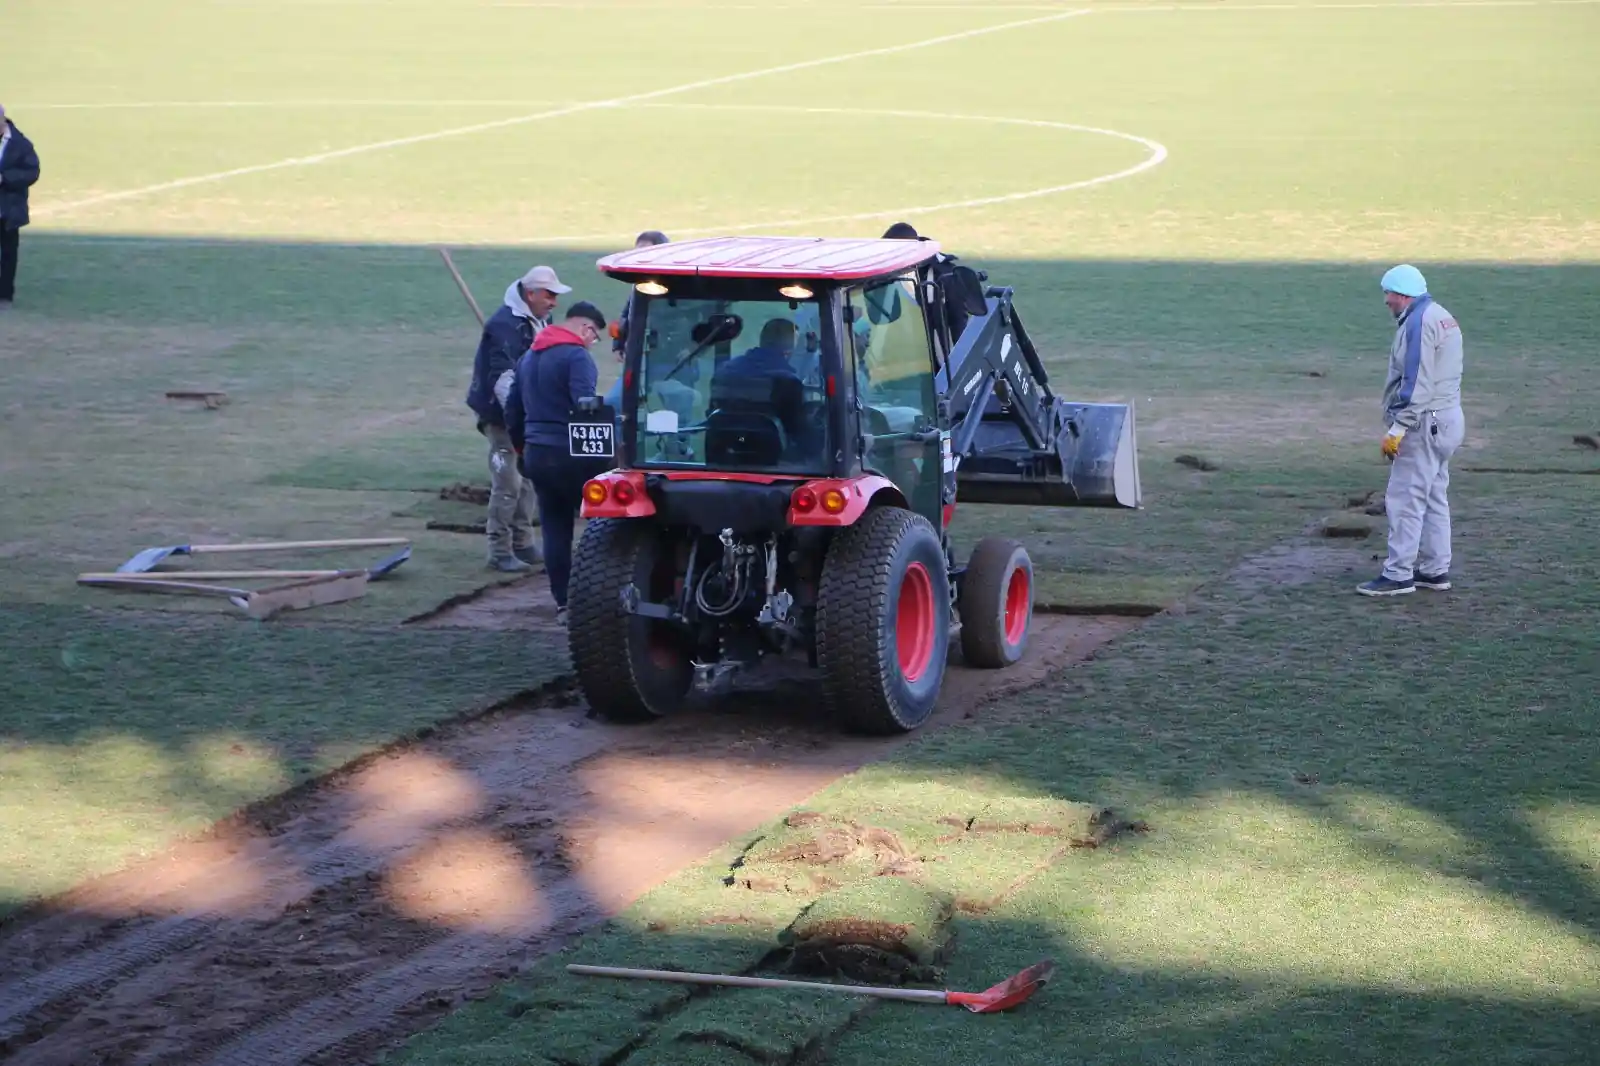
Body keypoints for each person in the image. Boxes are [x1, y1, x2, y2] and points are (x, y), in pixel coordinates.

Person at [1357, 264, 1466, 598]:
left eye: (1388, 293)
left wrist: (1398, 428)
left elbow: (1417, 381)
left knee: (1404, 499)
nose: (1386, 300)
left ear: (1402, 294)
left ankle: (1398, 574)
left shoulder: (1419, 323)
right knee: (1433, 496)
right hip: (1446, 420)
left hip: (1423, 424)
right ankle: (1434, 570)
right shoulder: (1441, 315)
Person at [504, 301, 610, 624]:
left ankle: (564, 603)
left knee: (554, 529)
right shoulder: (577, 357)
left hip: (537, 453)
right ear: (585, 328)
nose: (593, 342)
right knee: (604, 525)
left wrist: (523, 449)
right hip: (573, 454)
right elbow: (585, 408)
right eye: (595, 335)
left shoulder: (528, 357)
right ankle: (600, 598)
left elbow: (512, 411)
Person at [465, 265, 570, 572]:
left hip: (525, 413)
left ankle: (523, 544)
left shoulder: (540, 319)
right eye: (549, 295)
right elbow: (501, 379)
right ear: (531, 293)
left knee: (527, 478)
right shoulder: (504, 326)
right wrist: (519, 414)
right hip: (500, 415)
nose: (553, 302)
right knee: (508, 480)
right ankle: (498, 550)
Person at [0, 105, 42, 308]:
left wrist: (5, 178)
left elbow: (32, 172)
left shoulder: (20, 144)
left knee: (8, 253)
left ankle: (5, 294)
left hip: (9, 209)